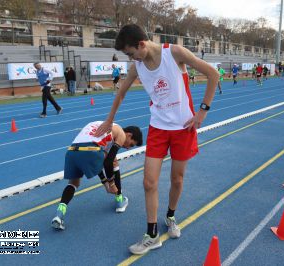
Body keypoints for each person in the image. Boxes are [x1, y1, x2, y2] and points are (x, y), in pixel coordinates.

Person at [93, 24, 218, 255]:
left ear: (141, 44)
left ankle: (170, 216)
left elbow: (213, 74)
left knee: (177, 180)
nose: (131, 59)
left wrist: (202, 111)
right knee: (148, 182)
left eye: (131, 53)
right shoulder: (137, 66)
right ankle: (151, 235)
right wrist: (110, 120)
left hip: (183, 128)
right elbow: (120, 92)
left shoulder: (175, 53)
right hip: (158, 128)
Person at [51, 121, 143, 230]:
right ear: (129, 135)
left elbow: (97, 161)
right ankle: (119, 200)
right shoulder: (121, 134)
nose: (128, 148)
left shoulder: (103, 128)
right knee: (113, 160)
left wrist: (105, 183)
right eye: (131, 144)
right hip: (91, 150)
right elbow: (107, 162)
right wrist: (112, 184)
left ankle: (59, 215)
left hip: (71, 152)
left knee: (73, 183)